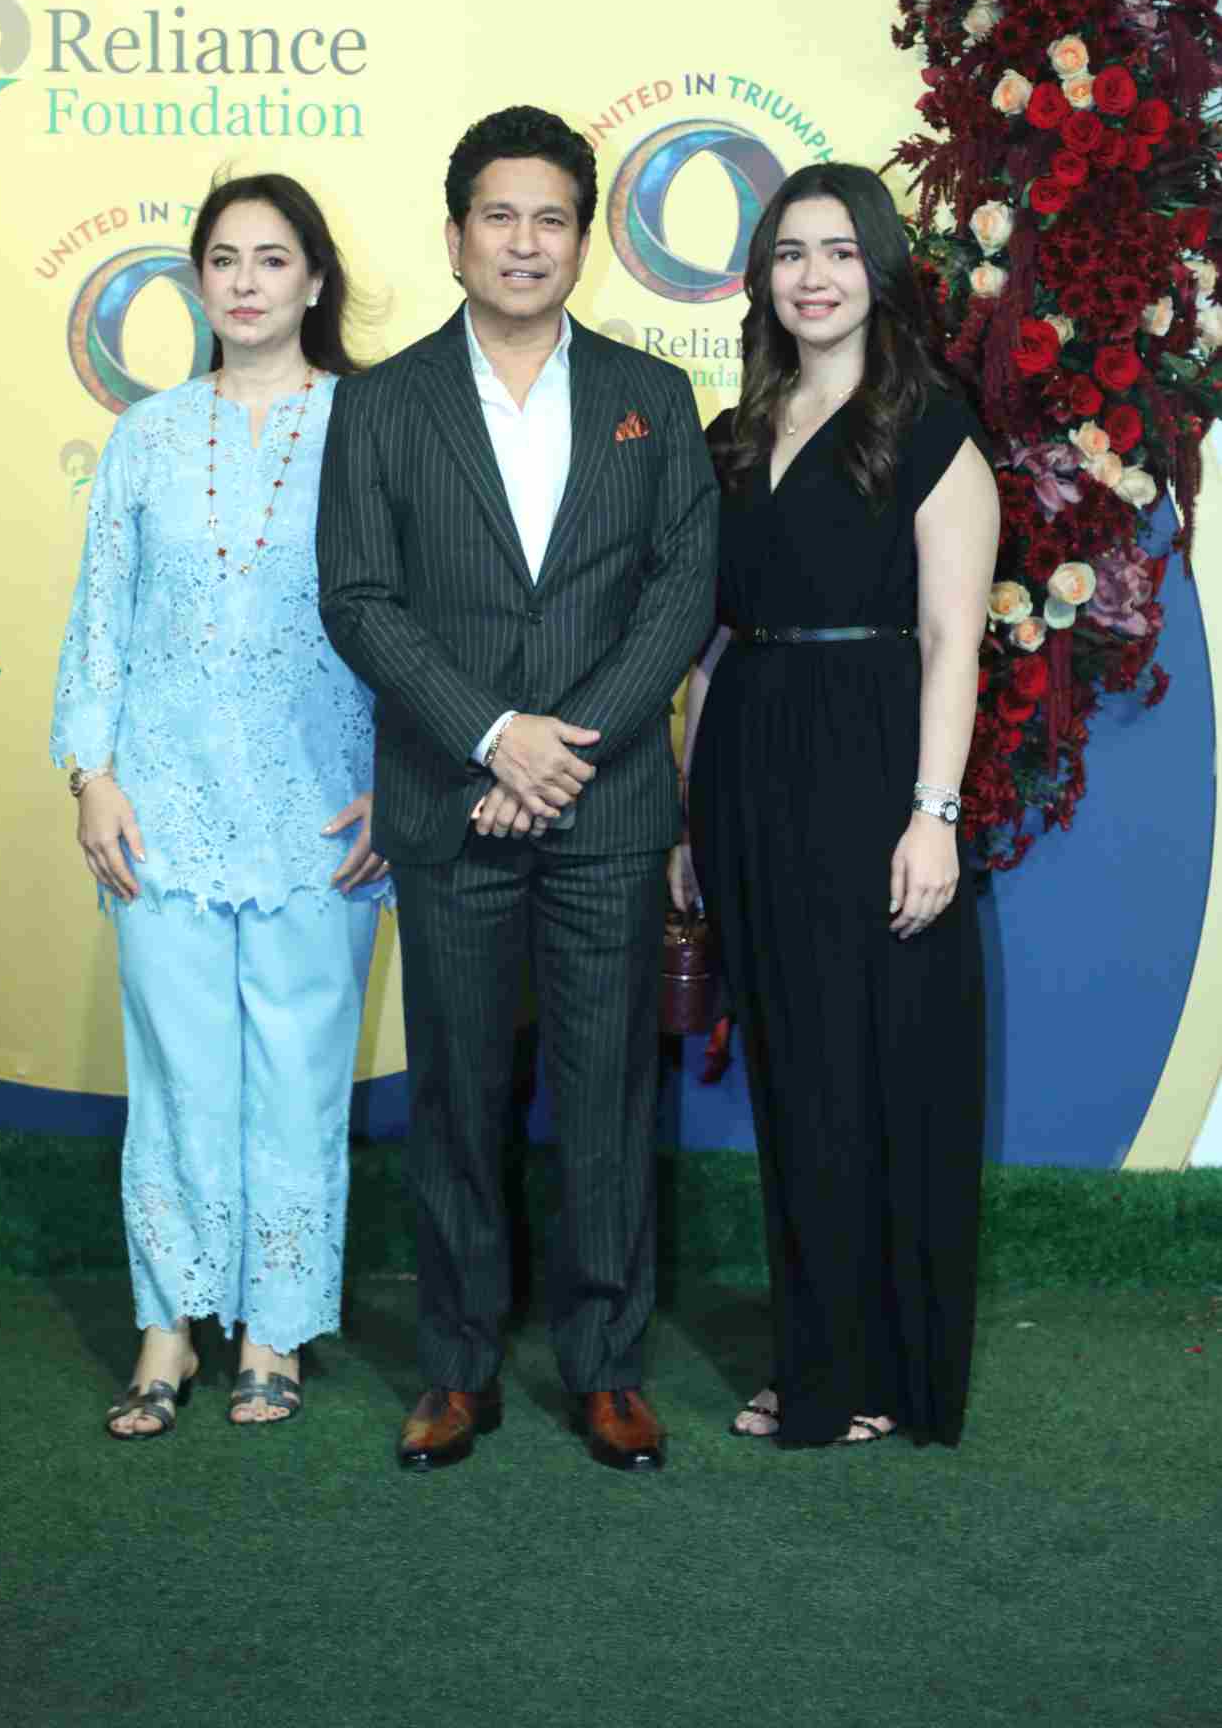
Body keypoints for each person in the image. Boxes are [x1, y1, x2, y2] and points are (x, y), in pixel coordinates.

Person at [317, 105, 718, 1472]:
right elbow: (359, 599)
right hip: (453, 800)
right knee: (458, 1093)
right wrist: (493, 737)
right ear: (454, 237)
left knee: (605, 1092)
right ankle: (457, 1365)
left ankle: (607, 1367)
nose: (525, 241)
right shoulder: (381, 403)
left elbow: (678, 593)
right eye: (499, 215)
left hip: (603, 809)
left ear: (583, 240)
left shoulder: (651, 394)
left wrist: (560, 750)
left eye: (551, 218)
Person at [52, 172, 389, 1440]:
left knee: (299, 1074)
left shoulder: (370, 426)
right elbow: (100, 616)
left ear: (314, 279)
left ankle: (274, 1328)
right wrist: (92, 774)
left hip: (323, 811)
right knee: (177, 1072)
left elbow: (412, 623)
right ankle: (168, 1325)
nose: (246, 281)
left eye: (272, 257)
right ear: (198, 282)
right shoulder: (147, 434)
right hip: (161, 809)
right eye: (224, 259)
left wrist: (398, 785)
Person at [672, 162, 998, 1449]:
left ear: (880, 269)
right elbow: (705, 642)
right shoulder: (734, 430)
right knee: (789, 1073)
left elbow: (951, 638)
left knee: (863, 1071)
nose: (812, 276)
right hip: (745, 762)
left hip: (869, 766)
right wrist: (687, 815)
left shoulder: (929, 426)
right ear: (761, 277)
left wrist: (932, 813)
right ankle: (813, 1352)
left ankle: (865, 1370)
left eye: (838, 251)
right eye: (789, 253)